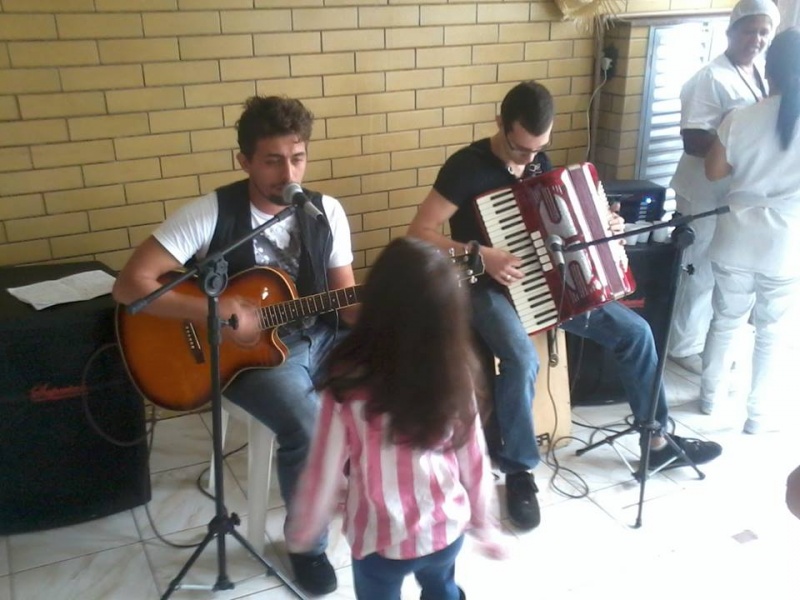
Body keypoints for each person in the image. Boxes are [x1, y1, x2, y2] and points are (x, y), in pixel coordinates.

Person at [407, 80, 722, 531]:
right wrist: (482, 254)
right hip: (483, 285)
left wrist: (604, 220)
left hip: (546, 282)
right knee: (518, 358)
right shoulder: (465, 167)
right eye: (520, 149)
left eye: (539, 149)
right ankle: (519, 471)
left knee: (636, 333)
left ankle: (656, 440)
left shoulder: (540, 163)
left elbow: (562, 232)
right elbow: (418, 233)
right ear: (500, 124)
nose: (529, 159)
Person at [112, 95, 356, 595]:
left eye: (298, 157)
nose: (287, 172)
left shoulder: (325, 211)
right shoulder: (210, 212)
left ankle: (378, 498)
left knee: (399, 377)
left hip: (318, 333)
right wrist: (214, 311)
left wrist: (401, 304)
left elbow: (347, 302)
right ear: (243, 160)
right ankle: (305, 545)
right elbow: (131, 284)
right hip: (246, 357)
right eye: (271, 160)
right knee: (305, 424)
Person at [285, 237, 506, 600]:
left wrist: (305, 529)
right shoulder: (456, 373)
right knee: (443, 588)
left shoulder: (346, 382)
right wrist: (486, 524)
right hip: (445, 531)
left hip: (379, 540)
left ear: (375, 303)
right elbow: (474, 456)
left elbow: (322, 468)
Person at [668, 0, 781, 375]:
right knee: (697, 269)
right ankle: (683, 345)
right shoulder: (710, 78)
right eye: (750, 30)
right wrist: (734, 146)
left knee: (717, 272)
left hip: (728, 194)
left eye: (764, 32)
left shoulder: (756, 73)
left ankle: (702, 342)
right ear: (731, 31)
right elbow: (692, 139)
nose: (757, 39)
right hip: (702, 190)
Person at [701, 27, 800, 434]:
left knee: (725, 318)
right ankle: (756, 416)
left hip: (736, 235)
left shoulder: (741, 117)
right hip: (785, 242)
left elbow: (713, 172)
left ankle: (709, 397)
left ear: (768, 69)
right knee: (771, 330)